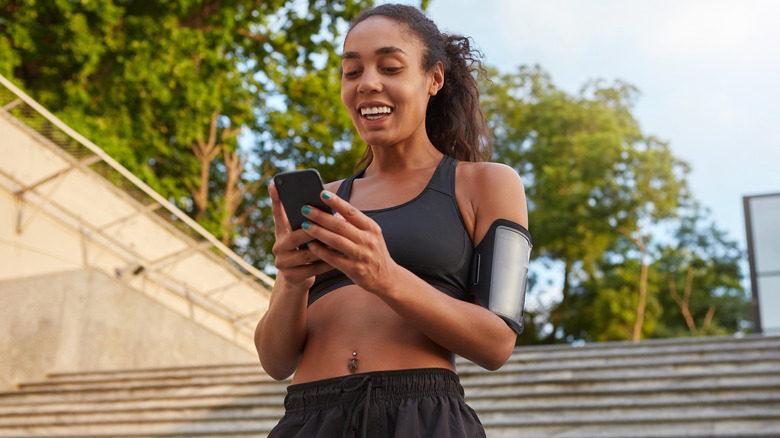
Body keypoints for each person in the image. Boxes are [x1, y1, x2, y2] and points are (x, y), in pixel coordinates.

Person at [255, 3, 530, 437]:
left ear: (434, 78)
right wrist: (291, 282)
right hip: (308, 419)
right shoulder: (327, 200)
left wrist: (384, 276)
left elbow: (497, 342)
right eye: (351, 71)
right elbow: (275, 361)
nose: (367, 83)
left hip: (422, 417)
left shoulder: (487, 184)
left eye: (390, 67)